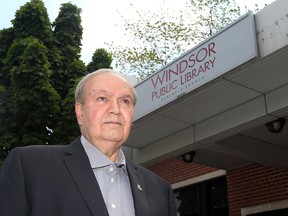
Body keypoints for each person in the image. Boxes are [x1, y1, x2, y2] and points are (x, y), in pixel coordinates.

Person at [0, 69, 177, 216]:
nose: (115, 110)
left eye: (125, 101)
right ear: (80, 111)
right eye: (102, 98)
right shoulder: (29, 167)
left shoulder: (161, 191)